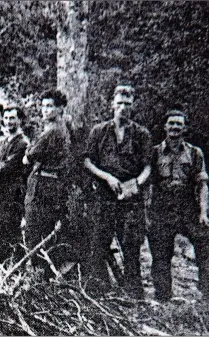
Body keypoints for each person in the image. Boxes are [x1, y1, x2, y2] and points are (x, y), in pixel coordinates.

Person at [84, 85, 152, 298]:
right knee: (99, 243)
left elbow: (148, 167)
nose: (123, 108)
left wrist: (135, 185)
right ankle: (99, 291)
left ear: (133, 106)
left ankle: (133, 293)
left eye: (127, 104)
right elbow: (87, 161)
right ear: (112, 104)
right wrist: (107, 177)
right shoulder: (99, 131)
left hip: (130, 198)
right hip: (104, 195)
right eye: (119, 103)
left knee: (130, 245)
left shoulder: (141, 134)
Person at [148, 107, 209, 301]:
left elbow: (202, 185)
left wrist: (203, 212)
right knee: (160, 254)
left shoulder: (195, 153)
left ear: (184, 128)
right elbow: (147, 184)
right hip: (162, 206)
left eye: (179, 124)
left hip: (187, 205)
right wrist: (147, 211)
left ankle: (207, 294)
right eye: (171, 123)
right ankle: (163, 297)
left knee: (205, 247)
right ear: (165, 127)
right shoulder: (155, 152)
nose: (175, 127)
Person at [22, 90, 73, 279]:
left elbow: (28, 158)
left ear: (60, 109)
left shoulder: (53, 131)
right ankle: (44, 275)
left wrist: (30, 154)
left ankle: (40, 278)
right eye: (43, 106)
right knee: (44, 232)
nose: (45, 110)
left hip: (44, 185)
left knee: (35, 232)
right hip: (50, 184)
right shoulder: (61, 128)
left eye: (50, 106)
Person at [0, 104, 30, 261]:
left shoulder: (22, 143)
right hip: (2, 192)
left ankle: (16, 268)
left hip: (14, 192)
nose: (8, 122)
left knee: (12, 231)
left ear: (20, 120)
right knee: (1, 230)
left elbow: (7, 166)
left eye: (12, 118)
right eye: (6, 118)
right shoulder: (4, 141)